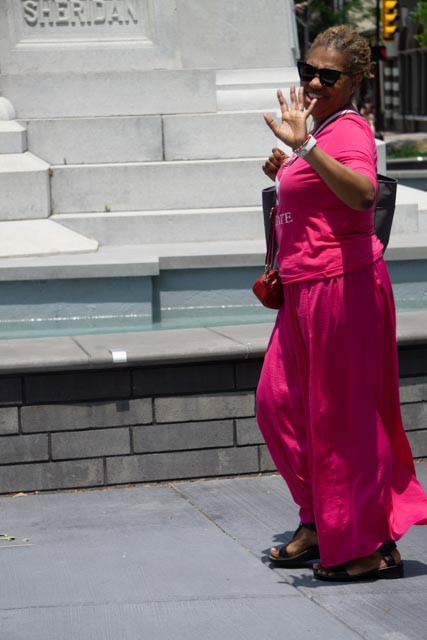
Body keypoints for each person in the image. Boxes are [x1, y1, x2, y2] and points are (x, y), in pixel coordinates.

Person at [256, 25, 427, 582]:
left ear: (354, 80)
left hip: (342, 287)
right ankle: (318, 521)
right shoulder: (322, 130)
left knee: (344, 419)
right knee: (279, 405)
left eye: (328, 76)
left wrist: (304, 149)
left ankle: (370, 543)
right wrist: (290, 167)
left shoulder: (348, 128)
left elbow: (362, 193)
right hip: (305, 287)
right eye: (307, 70)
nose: (313, 82)